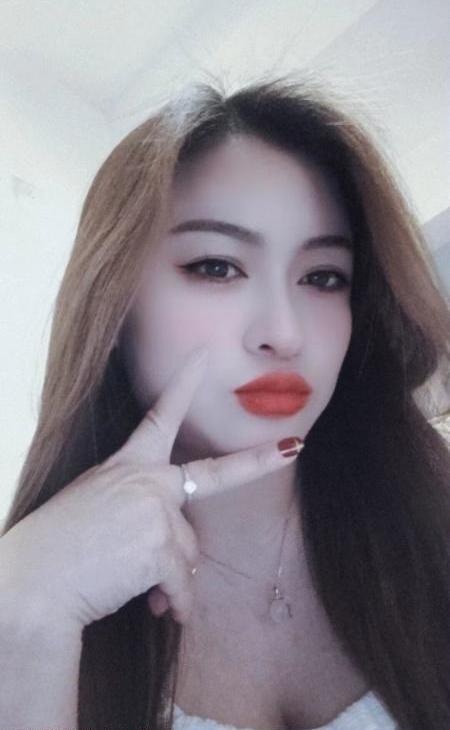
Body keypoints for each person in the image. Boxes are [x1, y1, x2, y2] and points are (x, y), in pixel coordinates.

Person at [0, 74, 449, 730]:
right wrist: (29, 614)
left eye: (323, 277)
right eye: (217, 267)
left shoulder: (430, 522)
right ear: (113, 306)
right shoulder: (31, 596)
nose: (285, 333)